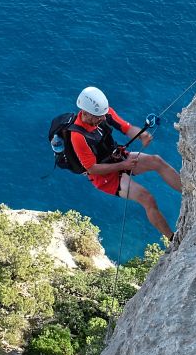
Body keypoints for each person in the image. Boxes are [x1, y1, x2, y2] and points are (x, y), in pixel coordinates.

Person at [69, 86, 181, 240]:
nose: (102, 119)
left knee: (156, 161)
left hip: (118, 157)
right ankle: (173, 239)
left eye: (103, 115)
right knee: (146, 198)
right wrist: (124, 165)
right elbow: (92, 168)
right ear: (85, 113)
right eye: (98, 117)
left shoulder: (104, 113)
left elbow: (126, 128)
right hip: (104, 176)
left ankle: (189, 191)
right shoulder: (78, 136)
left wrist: (142, 136)